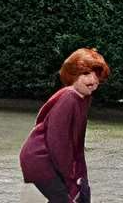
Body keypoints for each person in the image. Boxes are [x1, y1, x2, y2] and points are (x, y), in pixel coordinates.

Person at [19, 47, 109, 203]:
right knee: (64, 198)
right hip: (41, 160)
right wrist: (70, 179)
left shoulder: (83, 99)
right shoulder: (69, 97)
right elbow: (58, 142)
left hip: (53, 160)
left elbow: (77, 145)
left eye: (97, 76)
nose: (93, 81)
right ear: (73, 74)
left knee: (78, 194)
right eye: (86, 74)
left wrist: (82, 176)